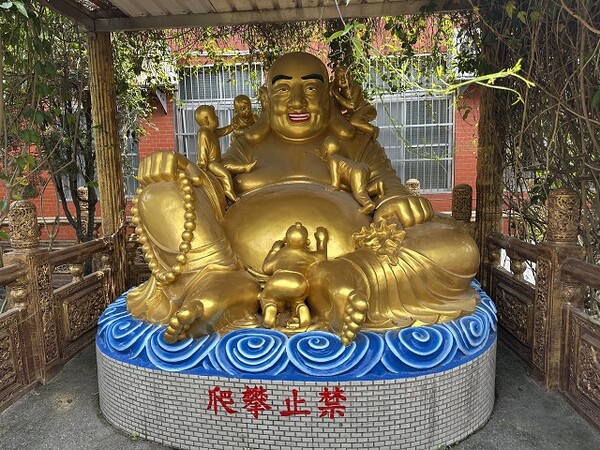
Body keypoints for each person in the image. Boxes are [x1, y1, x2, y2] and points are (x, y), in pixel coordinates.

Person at [129, 52, 480, 344]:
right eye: (283, 90)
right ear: (266, 99)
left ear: (328, 97)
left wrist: (396, 203)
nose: (297, 102)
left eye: (311, 88)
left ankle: (340, 281)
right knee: (159, 194)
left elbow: (390, 188)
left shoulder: (358, 143)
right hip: (231, 260)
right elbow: (211, 188)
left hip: (352, 255)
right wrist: (180, 173)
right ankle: (220, 283)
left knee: (458, 249)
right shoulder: (246, 145)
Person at [260, 223, 328, 329]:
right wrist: (321, 240)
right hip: (298, 282)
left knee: (268, 298)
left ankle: (270, 307)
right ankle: (300, 308)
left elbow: (266, 268)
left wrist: (274, 250)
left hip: (276, 281)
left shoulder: (282, 253)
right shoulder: (308, 255)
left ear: (285, 240)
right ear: (307, 242)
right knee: (297, 300)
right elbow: (322, 258)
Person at [321, 136, 385, 214]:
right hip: (362, 167)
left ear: (325, 151)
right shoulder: (339, 157)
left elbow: (335, 178)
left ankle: (368, 204)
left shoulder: (332, 160)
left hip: (356, 171)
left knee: (358, 193)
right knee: (361, 189)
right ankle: (376, 187)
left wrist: (334, 185)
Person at [330, 65, 379, 138]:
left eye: (345, 76)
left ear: (351, 77)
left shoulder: (356, 88)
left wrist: (337, 95)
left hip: (366, 109)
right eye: (339, 77)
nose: (343, 79)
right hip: (354, 114)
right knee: (342, 122)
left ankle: (373, 130)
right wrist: (332, 90)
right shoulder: (341, 94)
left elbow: (352, 106)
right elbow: (341, 108)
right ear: (335, 81)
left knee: (354, 121)